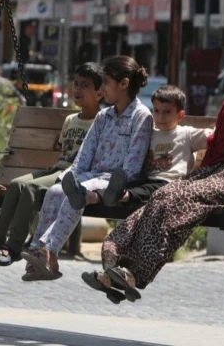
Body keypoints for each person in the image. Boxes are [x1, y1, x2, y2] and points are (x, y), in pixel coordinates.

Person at [82, 39, 224, 302]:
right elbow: (219, 143)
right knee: (164, 194)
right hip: (219, 174)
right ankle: (114, 262)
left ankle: (132, 272)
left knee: (183, 198)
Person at [20, 56, 153, 280]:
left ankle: (47, 253)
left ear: (124, 84)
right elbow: (84, 156)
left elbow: (131, 167)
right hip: (89, 176)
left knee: (77, 195)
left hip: (112, 182)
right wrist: (69, 177)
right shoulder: (103, 116)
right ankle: (40, 252)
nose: (103, 88)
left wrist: (85, 183)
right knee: (55, 192)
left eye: (107, 82)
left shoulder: (141, 117)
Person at [0, 62, 104, 266]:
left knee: (30, 188)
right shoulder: (71, 119)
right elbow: (62, 146)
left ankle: (14, 247)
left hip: (74, 173)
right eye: (76, 83)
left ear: (100, 93)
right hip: (58, 168)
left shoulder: (101, 121)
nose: (77, 89)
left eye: (85, 85)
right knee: (17, 184)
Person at [78, 85, 212, 210]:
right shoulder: (149, 132)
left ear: (180, 115)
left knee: (149, 190)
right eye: (157, 111)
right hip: (146, 180)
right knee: (128, 185)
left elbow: (212, 136)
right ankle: (92, 196)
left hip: (171, 182)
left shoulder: (186, 134)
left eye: (167, 112)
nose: (160, 116)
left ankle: (122, 196)